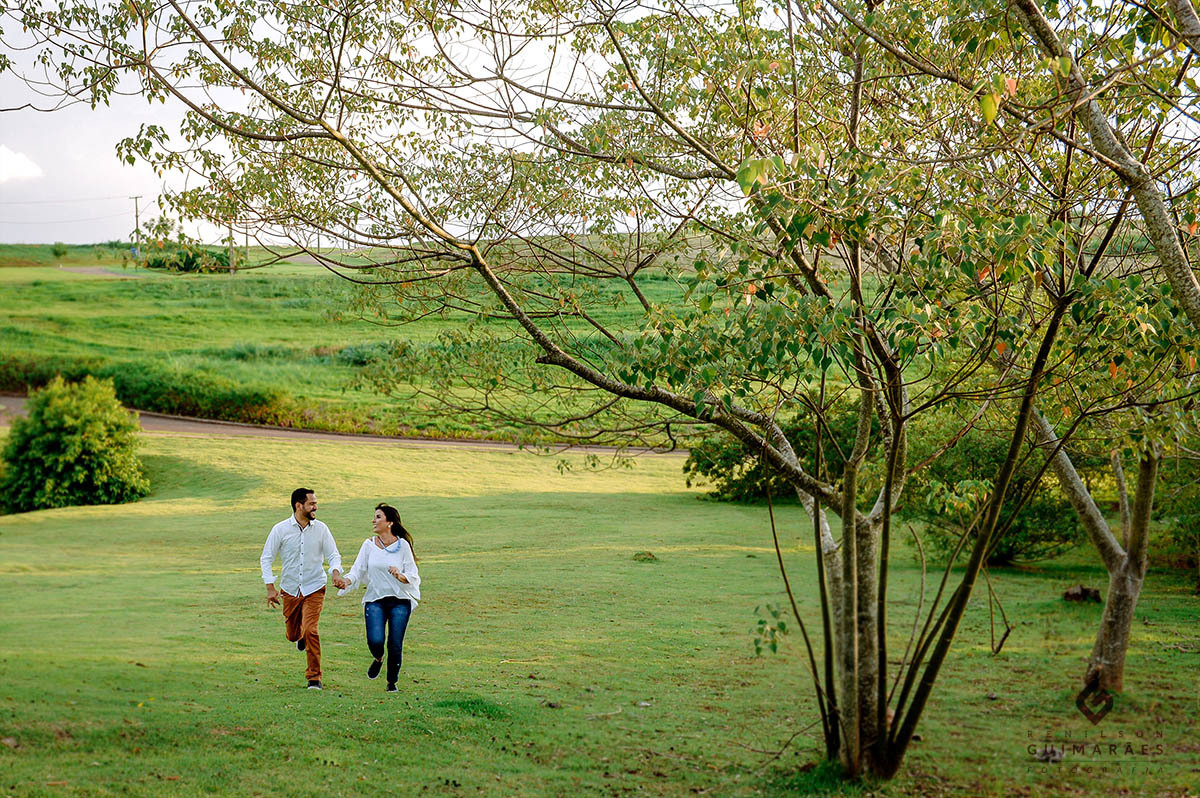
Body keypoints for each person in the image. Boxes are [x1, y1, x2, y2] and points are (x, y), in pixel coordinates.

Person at [260, 488, 343, 690]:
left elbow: (333, 555)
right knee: (292, 634)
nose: (316, 506)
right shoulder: (280, 529)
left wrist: (335, 572)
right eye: (312, 503)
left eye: (315, 503)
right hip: (289, 589)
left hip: (315, 587)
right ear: (299, 505)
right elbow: (266, 558)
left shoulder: (322, 529)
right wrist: (271, 588)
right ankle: (299, 637)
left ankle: (314, 678)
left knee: (311, 630)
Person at [333, 503, 420, 693]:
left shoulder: (402, 546)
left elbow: (413, 575)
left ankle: (391, 683)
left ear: (389, 522)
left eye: (378, 517)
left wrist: (399, 575)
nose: (373, 520)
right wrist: (346, 581)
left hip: (400, 600)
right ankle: (378, 658)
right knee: (375, 640)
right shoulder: (368, 545)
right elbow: (357, 570)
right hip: (375, 599)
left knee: (395, 643)